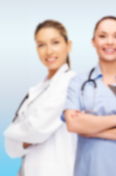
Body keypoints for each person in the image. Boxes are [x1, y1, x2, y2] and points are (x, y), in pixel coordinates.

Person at [63, 16, 116, 176]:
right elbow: (73, 125)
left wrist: (89, 128)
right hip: (89, 168)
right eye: (103, 36)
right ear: (93, 42)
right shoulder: (78, 82)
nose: (110, 42)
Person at [3, 20, 77, 176]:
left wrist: (11, 133)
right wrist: (21, 136)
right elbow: (10, 149)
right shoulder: (36, 91)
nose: (48, 51)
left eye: (55, 42)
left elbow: (36, 129)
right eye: (41, 45)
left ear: (68, 45)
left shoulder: (70, 83)